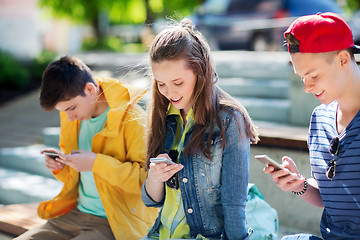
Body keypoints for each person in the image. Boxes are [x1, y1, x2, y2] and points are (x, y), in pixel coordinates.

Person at [141, 18, 259, 240]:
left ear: (200, 72)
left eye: (178, 83)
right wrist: (155, 177)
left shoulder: (229, 119)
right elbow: (151, 200)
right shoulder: (164, 115)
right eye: (161, 84)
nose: (169, 93)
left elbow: (234, 202)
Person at [15, 56, 158, 240]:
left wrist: (96, 163)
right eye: (63, 111)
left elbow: (147, 182)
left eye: (71, 108)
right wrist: (62, 166)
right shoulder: (73, 116)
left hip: (115, 221)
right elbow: (76, 176)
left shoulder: (133, 120)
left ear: (90, 89)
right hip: (74, 214)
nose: (69, 118)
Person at [264, 12, 360, 239]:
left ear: (343, 60)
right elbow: (333, 200)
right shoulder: (320, 119)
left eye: (313, 75)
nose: (307, 87)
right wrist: (299, 184)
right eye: (301, 78)